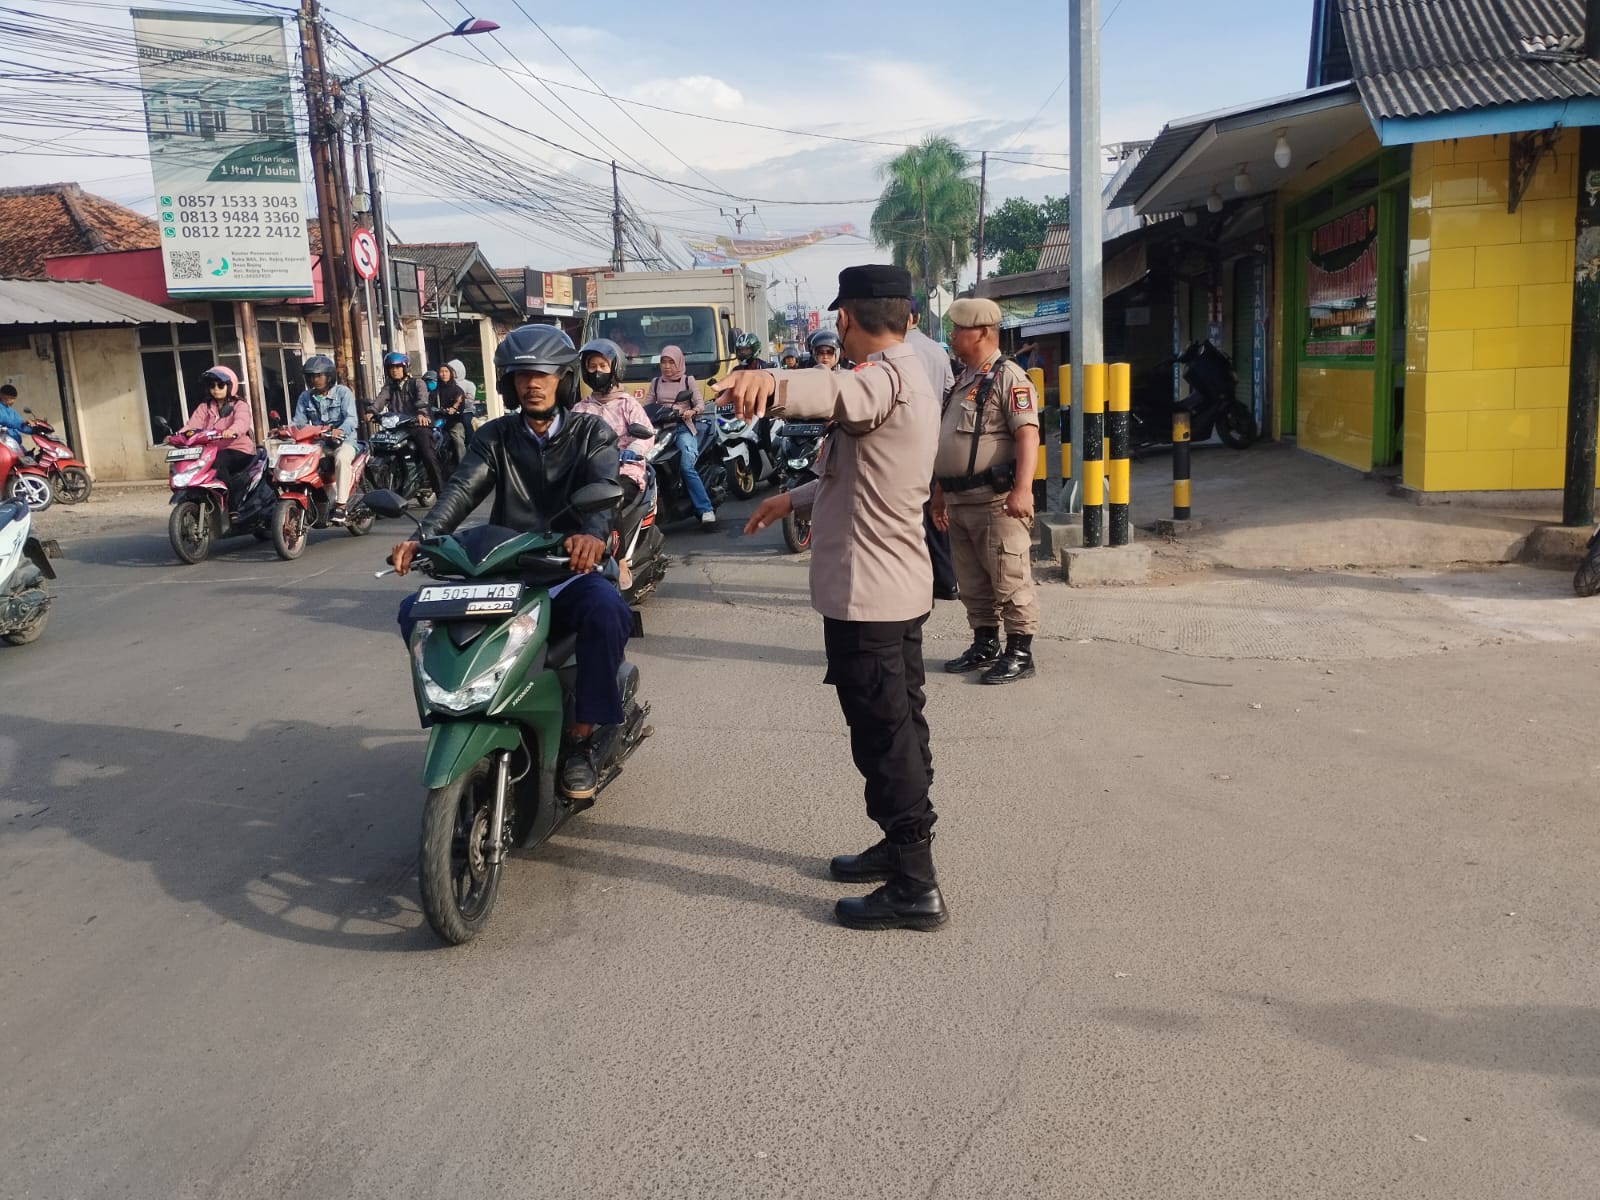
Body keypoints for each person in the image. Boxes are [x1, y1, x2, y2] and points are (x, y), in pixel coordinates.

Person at [725, 264, 947, 933]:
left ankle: (915, 885)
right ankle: (897, 846)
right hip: (890, 590)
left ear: (845, 320)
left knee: (886, 740)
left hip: (870, 598)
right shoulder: (913, 374)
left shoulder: (884, 376)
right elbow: (855, 477)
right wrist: (788, 497)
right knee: (896, 729)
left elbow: (838, 393)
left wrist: (773, 382)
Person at [390, 324, 633, 801]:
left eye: (543, 373)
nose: (532, 383)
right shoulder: (495, 436)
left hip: (568, 571)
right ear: (508, 382)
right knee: (413, 612)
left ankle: (581, 739)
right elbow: (461, 490)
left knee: (607, 610)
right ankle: (456, 714)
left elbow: (603, 494)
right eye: (522, 374)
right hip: (507, 571)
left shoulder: (592, 432)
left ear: (563, 379)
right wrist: (423, 537)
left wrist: (592, 536)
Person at [931, 298, 1042, 684]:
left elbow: (1028, 434)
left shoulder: (1009, 376)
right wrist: (940, 493)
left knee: (1008, 575)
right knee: (973, 581)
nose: (953, 335)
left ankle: (1020, 652)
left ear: (982, 332)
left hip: (996, 500)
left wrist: (1023, 489)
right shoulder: (962, 379)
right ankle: (985, 643)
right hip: (960, 500)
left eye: (959, 329)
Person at [573, 337, 655, 588]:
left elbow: (648, 435)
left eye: (602, 366)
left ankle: (618, 561)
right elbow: (568, 438)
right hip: (589, 473)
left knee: (610, 500)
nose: (597, 371)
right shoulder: (581, 408)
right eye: (592, 366)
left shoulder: (627, 404)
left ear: (615, 369)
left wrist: (633, 448)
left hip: (624, 471)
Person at [906, 297, 960, 602]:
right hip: (934, 441)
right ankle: (946, 579)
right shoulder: (937, 352)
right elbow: (950, 391)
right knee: (933, 509)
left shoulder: (891, 351)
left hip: (904, 446)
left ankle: (919, 583)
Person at [644, 344, 715, 526]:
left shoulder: (687, 381)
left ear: (679, 362)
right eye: (663, 362)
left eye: (670, 362)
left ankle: (706, 509)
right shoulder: (656, 382)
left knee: (686, 466)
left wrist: (692, 411)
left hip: (682, 428)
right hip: (660, 430)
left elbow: (699, 403)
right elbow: (647, 405)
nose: (666, 366)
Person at [284, 355, 359, 523]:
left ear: (329, 376)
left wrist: (339, 430)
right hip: (320, 443)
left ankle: (341, 504)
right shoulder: (305, 397)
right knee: (303, 461)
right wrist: (285, 431)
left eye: (319, 375)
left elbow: (351, 419)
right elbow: (299, 422)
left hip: (345, 440)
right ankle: (317, 499)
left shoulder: (343, 392)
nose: (315, 380)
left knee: (341, 458)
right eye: (311, 376)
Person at [369, 351, 446, 499]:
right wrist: (371, 411)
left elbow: (423, 398)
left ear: (405, 368)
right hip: (398, 427)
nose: (394, 370)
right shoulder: (389, 387)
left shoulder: (417, 383)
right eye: (391, 367)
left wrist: (421, 413)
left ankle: (440, 491)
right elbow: (380, 400)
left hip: (418, 425)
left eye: (398, 367)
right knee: (378, 447)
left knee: (427, 454)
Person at [180, 366, 255, 512]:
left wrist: (232, 430)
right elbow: (191, 426)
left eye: (220, 385)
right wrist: (178, 436)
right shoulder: (205, 407)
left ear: (230, 386)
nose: (216, 389)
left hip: (237, 449)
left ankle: (231, 507)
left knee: (218, 461)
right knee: (190, 463)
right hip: (210, 451)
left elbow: (242, 422)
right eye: (212, 385)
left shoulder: (239, 405)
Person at [434, 361, 471, 467]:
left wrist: (453, 409)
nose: (444, 374)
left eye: (446, 371)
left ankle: (464, 467)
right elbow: (428, 403)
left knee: (458, 440)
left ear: (451, 373)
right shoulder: (435, 390)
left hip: (453, 421)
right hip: (437, 422)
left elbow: (460, 405)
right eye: (441, 371)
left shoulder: (457, 390)